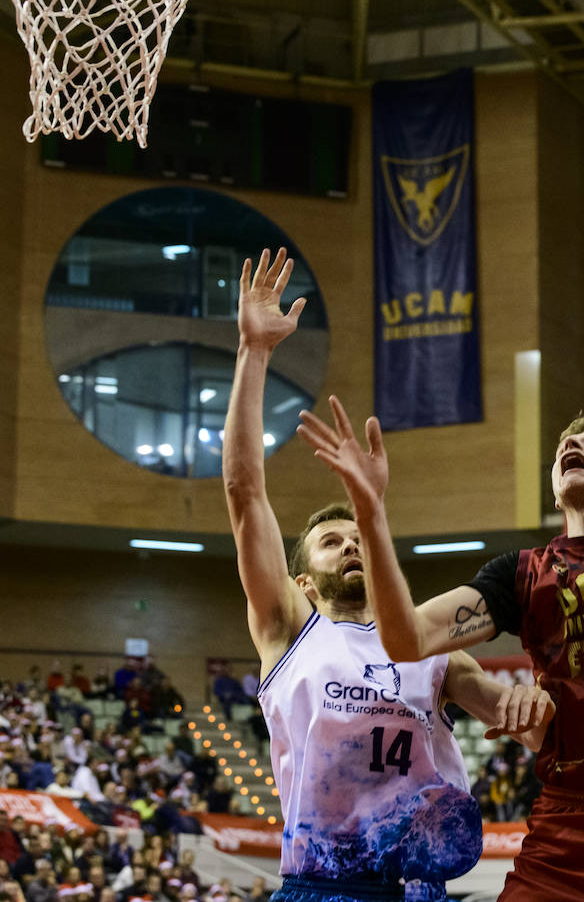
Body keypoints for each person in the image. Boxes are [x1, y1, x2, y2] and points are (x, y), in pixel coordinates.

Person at [298, 71, 584, 902]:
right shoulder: (521, 575)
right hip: (568, 831)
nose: (572, 442)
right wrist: (371, 511)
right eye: (565, 442)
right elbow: (403, 640)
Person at [222, 248, 553, 902]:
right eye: (329, 541)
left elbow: (525, 723)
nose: (349, 545)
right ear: (303, 582)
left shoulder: (431, 650)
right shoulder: (288, 626)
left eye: (356, 537)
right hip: (320, 884)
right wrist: (254, 352)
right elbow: (243, 490)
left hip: (417, 887)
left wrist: (531, 708)